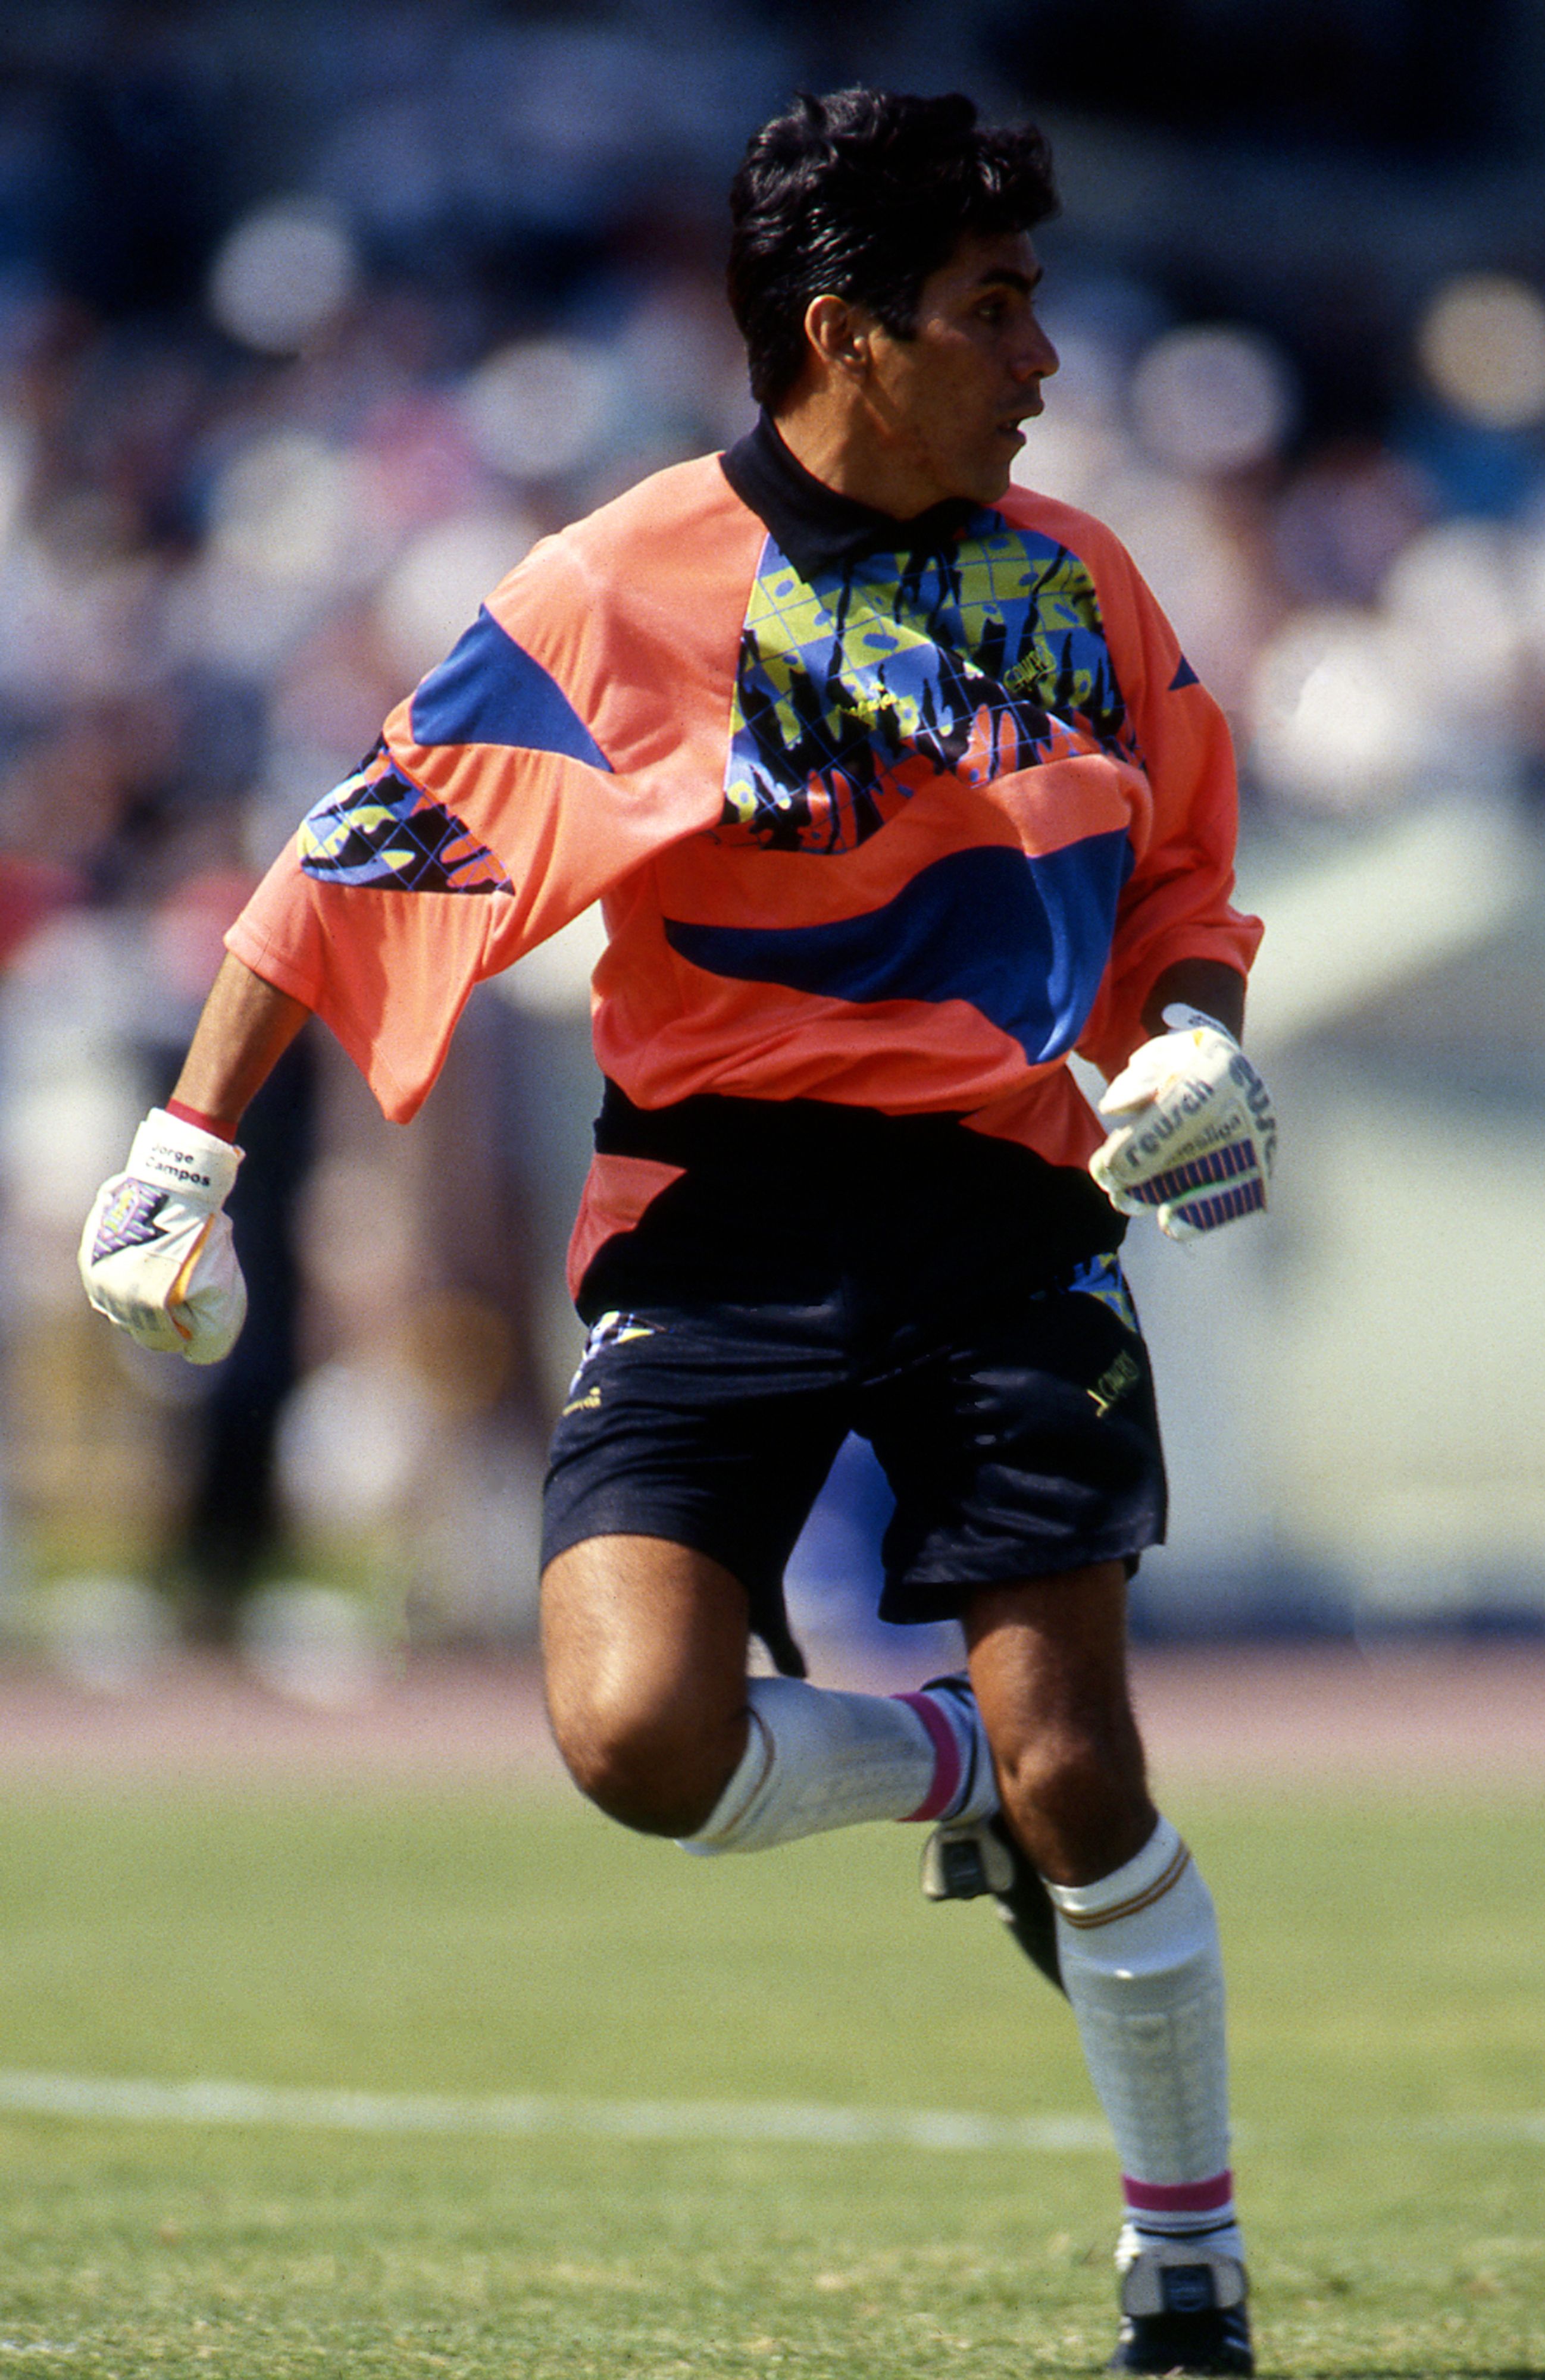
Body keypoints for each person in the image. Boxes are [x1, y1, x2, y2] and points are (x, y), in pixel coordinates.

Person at [79, 89, 1275, 2376]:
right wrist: (187, 1153)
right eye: (992, 308)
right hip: (713, 1219)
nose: (1040, 356)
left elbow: (1189, 889)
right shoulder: (617, 584)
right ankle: (946, 1782)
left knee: (1092, 1773)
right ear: (845, 331)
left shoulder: (1089, 581)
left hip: (1008, 1209)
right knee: (637, 1736)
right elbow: (354, 863)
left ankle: (1188, 2281)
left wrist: (1200, 1038)